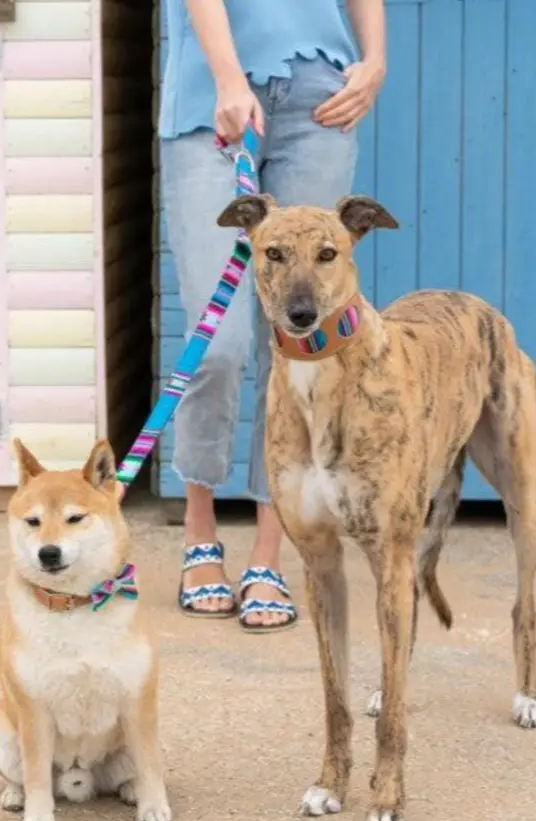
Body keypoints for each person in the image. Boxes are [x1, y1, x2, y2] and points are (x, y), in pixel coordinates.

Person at [160, 0, 386, 631]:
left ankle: (270, 550)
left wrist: (375, 63)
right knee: (218, 342)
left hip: (319, 95)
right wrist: (229, 79)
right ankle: (198, 528)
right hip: (213, 97)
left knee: (295, 343)